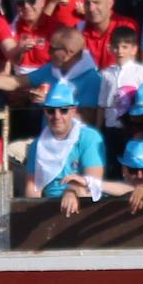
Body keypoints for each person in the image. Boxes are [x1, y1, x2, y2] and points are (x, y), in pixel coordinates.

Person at [25, 81, 106, 216]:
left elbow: (93, 183)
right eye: (51, 111)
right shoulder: (37, 145)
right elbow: (32, 187)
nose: (57, 116)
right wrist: (33, 213)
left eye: (63, 110)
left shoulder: (89, 138)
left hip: (84, 206)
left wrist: (71, 191)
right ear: (45, 111)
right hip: (48, 207)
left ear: (73, 111)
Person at [97, 25, 143, 160]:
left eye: (125, 47)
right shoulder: (106, 74)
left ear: (134, 50)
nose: (120, 51)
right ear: (111, 49)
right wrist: (98, 129)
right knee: (112, 161)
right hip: (111, 125)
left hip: (133, 127)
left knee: (132, 158)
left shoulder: (141, 71)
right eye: (116, 47)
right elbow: (102, 104)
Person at [78, 0, 139, 70]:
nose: (91, 8)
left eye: (97, 2)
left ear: (110, 3)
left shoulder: (126, 26)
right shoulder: (79, 29)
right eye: (87, 3)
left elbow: (129, 68)